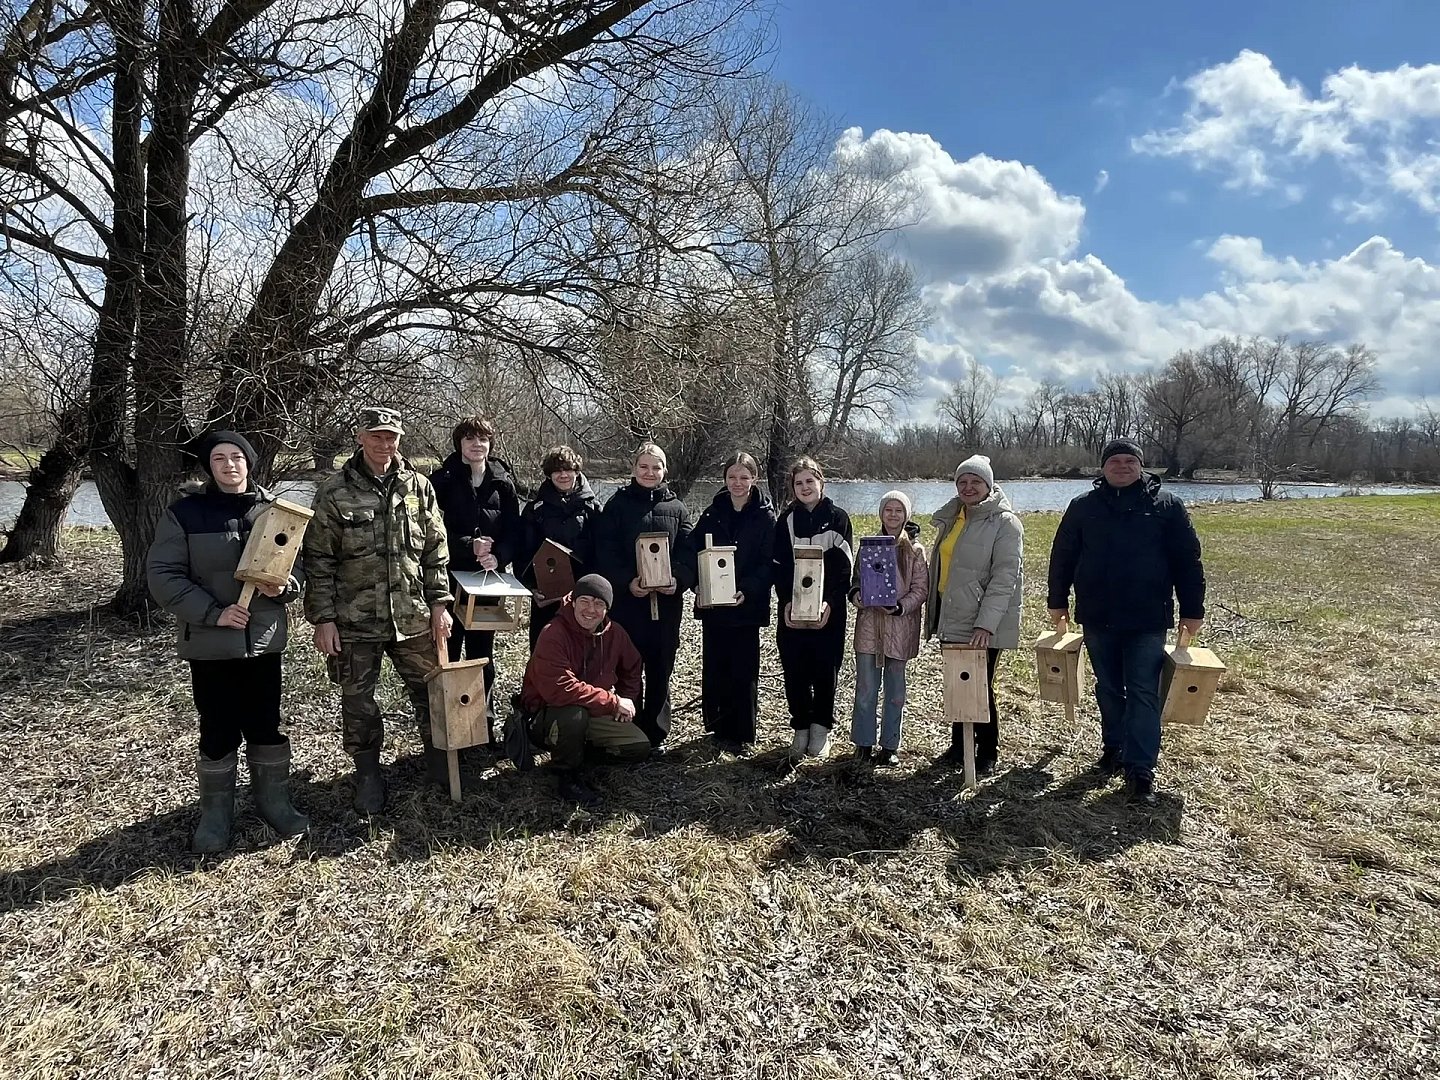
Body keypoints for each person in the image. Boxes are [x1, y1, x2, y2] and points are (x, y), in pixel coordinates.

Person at [147, 430, 309, 853]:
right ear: (209, 467)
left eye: (237, 456)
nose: (229, 464)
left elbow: (298, 567)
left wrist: (285, 587)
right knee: (217, 726)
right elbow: (163, 575)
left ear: (249, 462)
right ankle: (216, 813)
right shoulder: (185, 514)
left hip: (263, 640)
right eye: (219, 458)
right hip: (210, 644)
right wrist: (213, 613)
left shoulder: (275, 512)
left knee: (264, 723)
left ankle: (272, 801)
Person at [302, 406, 453, 813]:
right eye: (376, 436)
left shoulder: (419, 486)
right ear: (360, 437)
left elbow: (435, 550)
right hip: (355, 619)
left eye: (391, 437)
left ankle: (439, 761)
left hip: (412, 615)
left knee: (431, 692)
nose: (385, 444)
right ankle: (368, 773)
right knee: (359, 702)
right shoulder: (334, 491)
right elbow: (318, 559)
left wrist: (440, 604)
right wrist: (323, 619)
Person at [1046, 437, 1205, 806]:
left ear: (1141, 466)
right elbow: (1063, 557)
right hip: (1097, 616)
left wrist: (1192, 610)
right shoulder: (1083, 507)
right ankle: (1113, 747)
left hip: (1147, 618)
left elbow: (1188, 561)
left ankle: (1140, 768)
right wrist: (1057, 602)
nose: (1122, 467)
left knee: (1143, 690)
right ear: (1102, 468)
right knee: (1108, 687)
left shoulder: (1167, 506)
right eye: (1114, 461)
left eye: (1129, 461)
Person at [593, 442, 694, 753]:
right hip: (629, 603)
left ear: (665, 471)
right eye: (644, 466)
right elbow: (605, 551)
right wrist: (627, 582)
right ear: (634, 468)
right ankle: (630, 728)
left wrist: (677, 580)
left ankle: (657, 731)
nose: (649, 472)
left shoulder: (676, 509)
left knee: (661, 665)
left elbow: (689, 553)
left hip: (666, 604)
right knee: (628, 666)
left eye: (656, 467)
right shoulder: (617, 505)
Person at [926, 455, 1024, 776]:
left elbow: (1005, 578)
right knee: (958, 682)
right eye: (963, 482)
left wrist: (985, 624)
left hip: (981, 620)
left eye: (976, 482)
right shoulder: (954, 516)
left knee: (979, 685)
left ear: (989, 485)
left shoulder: (1005, 523)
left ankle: (987, 751)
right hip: (952, 612)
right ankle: (959, 747)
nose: (968, 487)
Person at [521, 574, 651, 808]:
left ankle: (579, 754)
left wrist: (627, 698)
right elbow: (561, 689)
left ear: (607, 609)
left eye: (599, 604)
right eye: (585, 601)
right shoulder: (553, 633)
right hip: (550, 713)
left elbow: (632, 667)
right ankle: (566, 775)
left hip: (592, 709)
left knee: (637, 746)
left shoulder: (615, 633)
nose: (591, 610)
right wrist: (613, 702)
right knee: (574, 715)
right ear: (573, 602)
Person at [680, 451, 776, 755]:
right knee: (716, 668)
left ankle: (743, 734)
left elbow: (768, 563)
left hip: (745, 606)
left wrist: (748, 589)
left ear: (754, 479)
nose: (737, 482)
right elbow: (692, 551)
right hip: (715, 606)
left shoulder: (765, 516)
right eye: (732, 476)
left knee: (744, 671)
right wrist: (696, 584)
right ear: (724, 478)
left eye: (744, 477)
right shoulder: (713, 513)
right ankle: (718, 728)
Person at [429, 416, 521, 727]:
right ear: (459, 443)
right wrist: (469, 545)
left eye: (482, 439)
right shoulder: (441, 481)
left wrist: (498, 556)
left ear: (490, 443)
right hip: (448, 578)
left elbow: (514, 531)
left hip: (487, 582)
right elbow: (429, 531)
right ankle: (451, 727)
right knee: (449, 651)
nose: (476, 445)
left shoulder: (503, 482)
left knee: (483, 654)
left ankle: (483, 725)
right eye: (469, 439)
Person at [773, 456, 853, 759]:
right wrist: (786, 602)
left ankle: (821, 727)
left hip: (828, 611)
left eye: (810, 481)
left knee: (824, 669)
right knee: (794, 668)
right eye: (799, 483)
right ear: (793, 487)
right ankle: (801, 726)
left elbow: (843, 569)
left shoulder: (838, 518)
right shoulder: (786, 520)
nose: (805, 487)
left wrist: (829, 602)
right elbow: (779, 567)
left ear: (821, 482)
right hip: (793, 608)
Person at [848, 491, 928, 766]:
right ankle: (863, 743)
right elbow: (856, 581)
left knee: (895, 692)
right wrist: (857, 596)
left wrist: (900, 607)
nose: (893, 515)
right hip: (870, 627)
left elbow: (920, 589)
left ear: (906, 515)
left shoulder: (915, 551)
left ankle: (890, 745)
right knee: (866, 688)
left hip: (899, 628)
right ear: (881, 513)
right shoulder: (868, 546)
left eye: (898, 510)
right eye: (888, 510)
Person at [517, 444, 601, 651]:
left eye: (568, 469)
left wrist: (596, 591)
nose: (563, 475)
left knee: (583, 653)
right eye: (557, 470)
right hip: (546, 598)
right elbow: (523, 553)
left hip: (584, 598)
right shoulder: (535, 510)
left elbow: (602, 553)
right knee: (544, 651)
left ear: (577, 471)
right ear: (549, 475)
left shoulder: (593, 509)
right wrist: (531, 588)